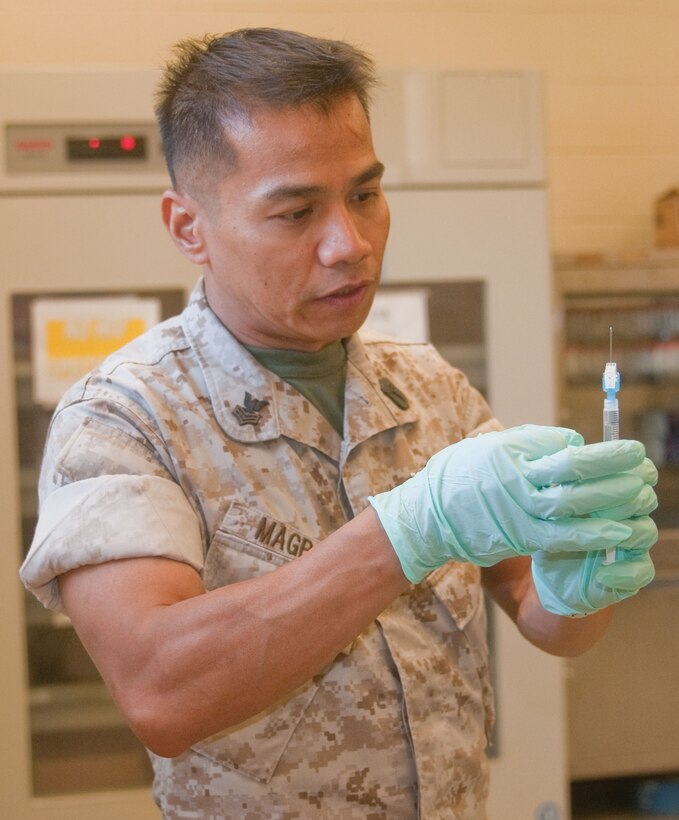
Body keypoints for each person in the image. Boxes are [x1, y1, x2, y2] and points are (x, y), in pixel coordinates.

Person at [20, 28, 658, 819]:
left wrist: (578, 581)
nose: (348, 245)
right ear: (188, 227)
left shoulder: (425, 385)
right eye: (294, 213)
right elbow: (161, 691)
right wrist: (406, 532)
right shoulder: (123, 420)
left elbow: (539, 612)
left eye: (363, 195)